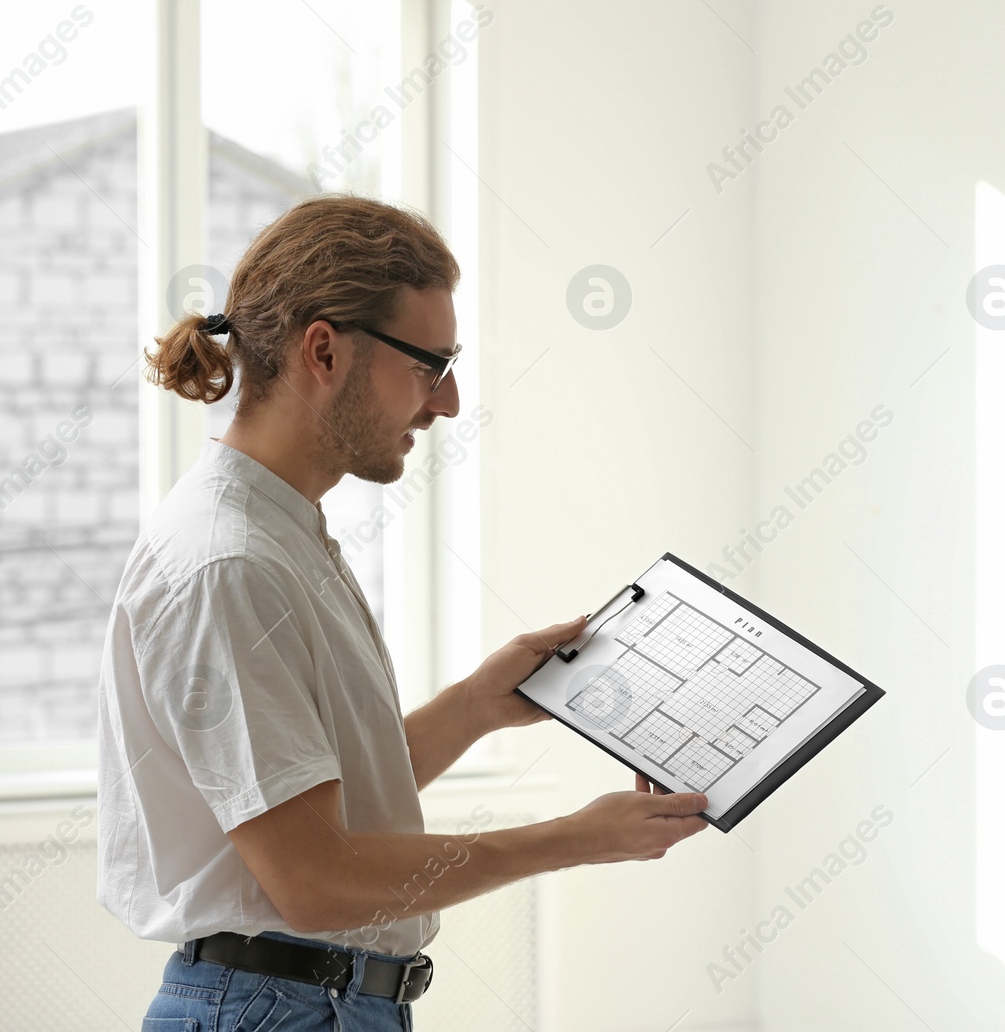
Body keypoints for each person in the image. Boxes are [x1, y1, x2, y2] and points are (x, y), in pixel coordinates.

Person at [96, 194, 707, 1031]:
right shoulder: (230, 563)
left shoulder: (278, 535)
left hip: (307, 1005)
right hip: (276, 1010)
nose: (447, 402)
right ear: (323, 350)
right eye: (432, 363)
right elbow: (313, 877)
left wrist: (474, 707)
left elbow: (315, 804)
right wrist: (574, 838)